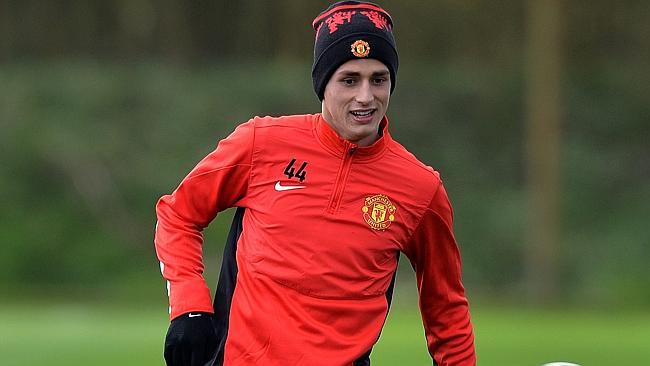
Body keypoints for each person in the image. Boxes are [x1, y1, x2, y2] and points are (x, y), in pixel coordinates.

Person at [154, 1, 476, 365]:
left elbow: (445, 305)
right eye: (349, 80)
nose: (365, 97)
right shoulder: (261, 142)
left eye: (379, 79)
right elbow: (178, 215)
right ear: (323, 83)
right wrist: (189, 306)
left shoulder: (421, 188)